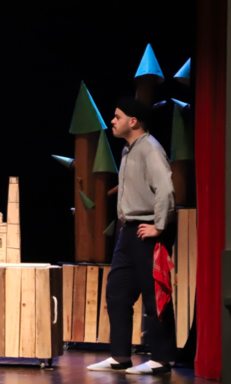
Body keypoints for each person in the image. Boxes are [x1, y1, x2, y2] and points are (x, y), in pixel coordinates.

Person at [87, 98, 176, 375]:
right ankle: (120, 356)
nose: (112, 121)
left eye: (117, 117)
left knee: (154, 296)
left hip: (148, 231)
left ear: (133, 121)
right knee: (117, 293)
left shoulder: (150, 148)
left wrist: (159, 226)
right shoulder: (129, 150)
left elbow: (165, 189)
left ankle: (161, 360)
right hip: (128, 233)